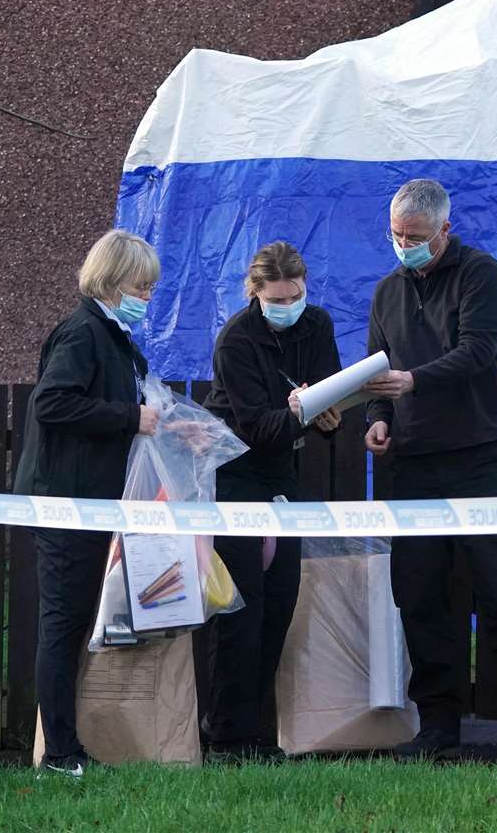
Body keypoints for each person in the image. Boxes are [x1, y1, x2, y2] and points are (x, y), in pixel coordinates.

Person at [361, 178, 497, 759]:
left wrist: (414, 380)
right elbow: (378, 368)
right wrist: (377, 417)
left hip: (478, 459)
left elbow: (480, 352)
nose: (404, 245)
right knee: (420, 599)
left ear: (446, 230)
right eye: (396, 235)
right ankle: (438, 729)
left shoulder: (481, 275)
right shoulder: (385, 293)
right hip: (410, 465)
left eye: (416, 237)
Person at [13, 229, 162, 778]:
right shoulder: (82, 333)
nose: (147, 296)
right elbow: (51, 403)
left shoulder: (112, 334)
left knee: (71, 624)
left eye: (150, 288)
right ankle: (58, 753)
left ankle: (65, 747)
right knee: (63, 625)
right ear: (110, 279)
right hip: (63, 504)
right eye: (140, 285)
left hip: (88, 502)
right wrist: (129, 418)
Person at [201, 241, 342, 761]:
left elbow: (332, 392)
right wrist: (305, 412)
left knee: (279, 601)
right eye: (278, 298)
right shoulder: (235, 340)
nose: (290, 306)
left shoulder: (318, 325)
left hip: (283, 477)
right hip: (235, 476)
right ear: (255, 293)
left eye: (297, 295)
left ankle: (257, 731)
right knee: (239, 609)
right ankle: (225, 737)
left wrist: (329, 417)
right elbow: (258, 426)